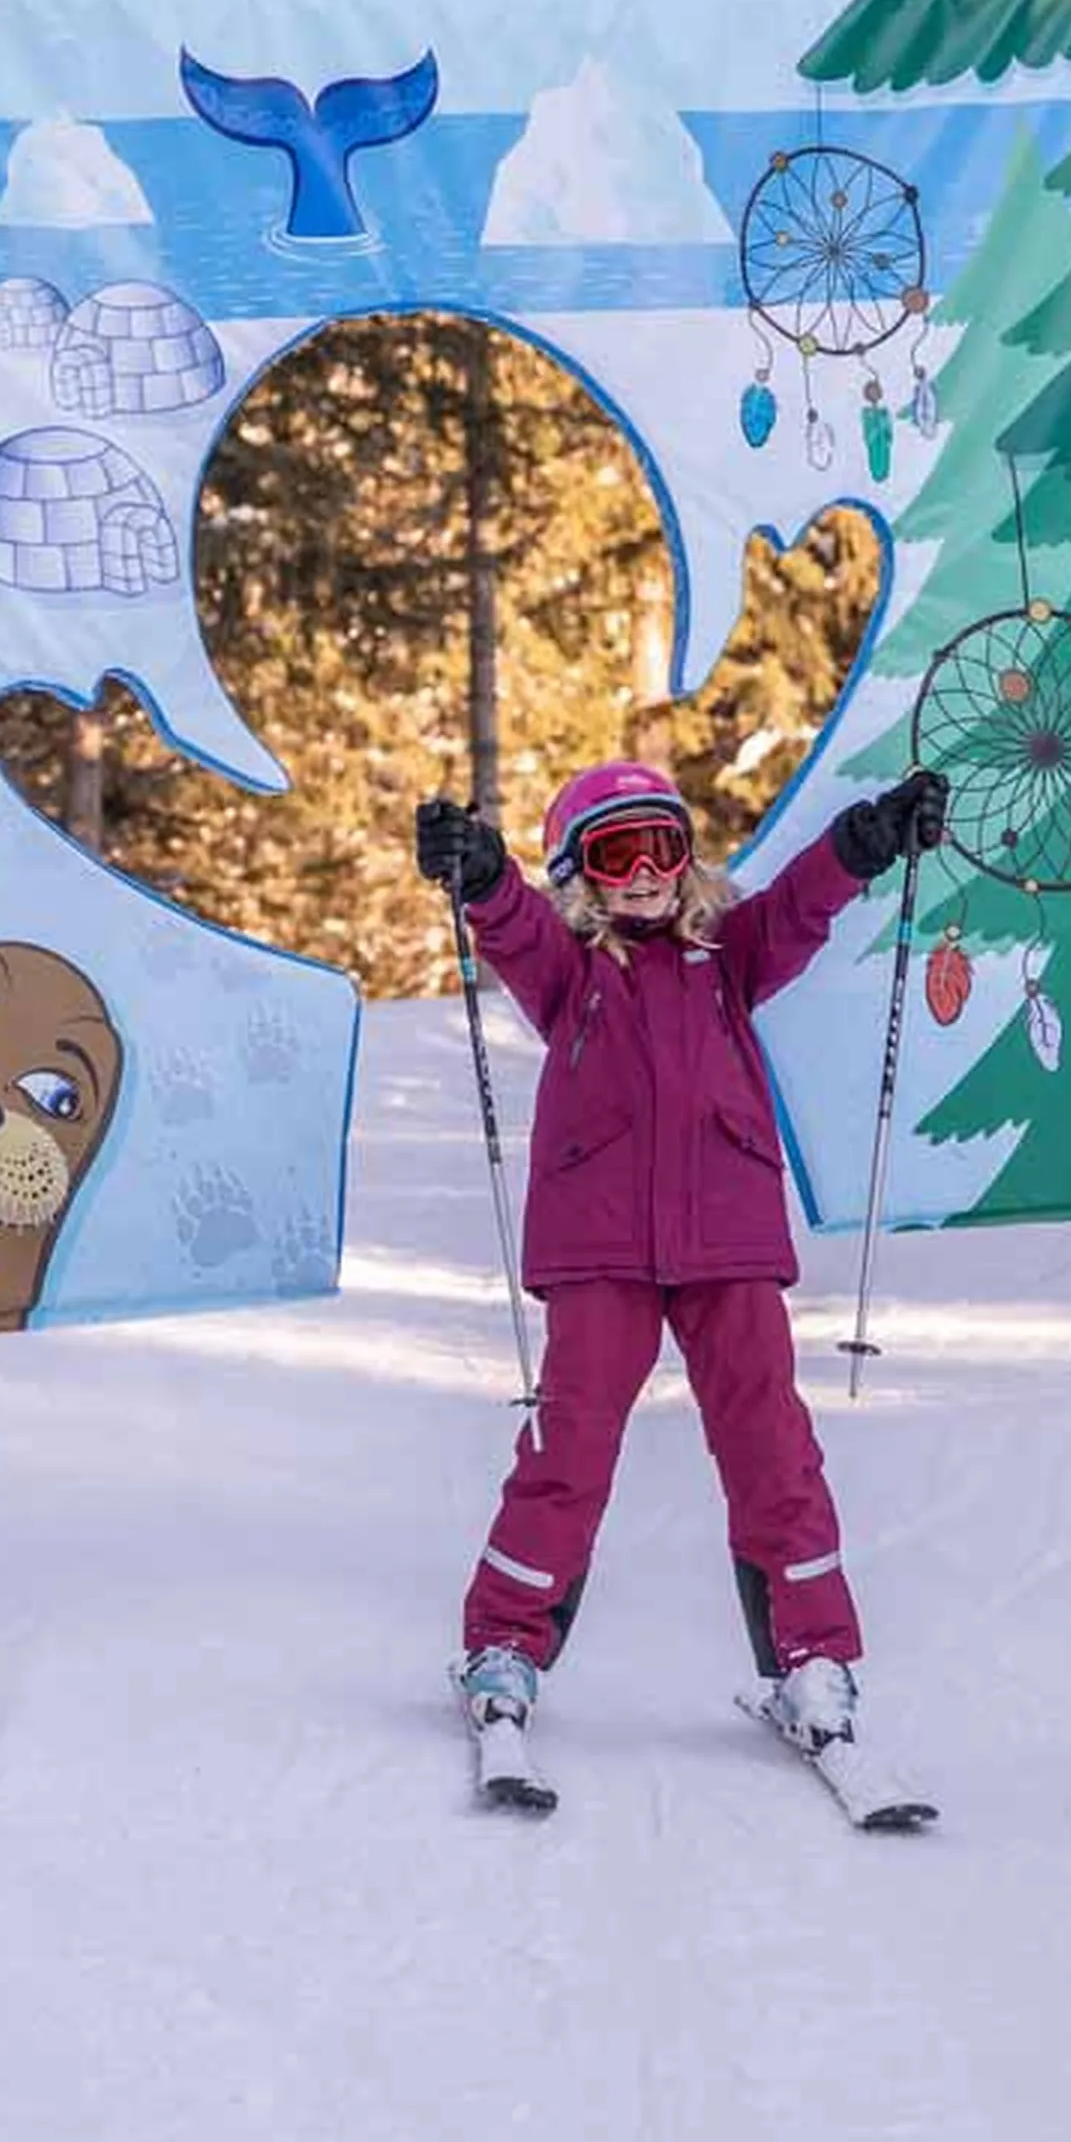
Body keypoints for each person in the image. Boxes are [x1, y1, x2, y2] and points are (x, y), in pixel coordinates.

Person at [413, 755, 947, 1769]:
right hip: (599, 1245)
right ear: (583, 872)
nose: (649, 871)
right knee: (570, 1453)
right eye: (620, 853)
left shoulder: (729, 955)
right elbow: (515, 927)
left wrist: (867, 841)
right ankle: (502, 1648)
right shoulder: (569, 975)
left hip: (729, 1239)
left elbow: (801, 906)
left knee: (773, 1450)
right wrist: (479, 873)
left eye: (665, 845)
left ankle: (813, 1660)